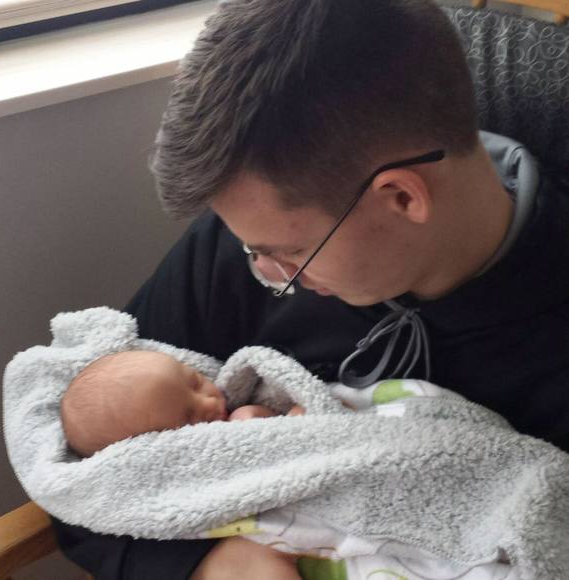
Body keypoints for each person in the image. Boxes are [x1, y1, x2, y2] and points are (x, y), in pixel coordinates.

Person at [50, 0, 569, 578]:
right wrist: (207, 563)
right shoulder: (240, 243)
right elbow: (82, 463)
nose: (267, 274)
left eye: (291, 255)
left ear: (402, 197)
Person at [60, 349, 302, 458]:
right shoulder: (190, 462)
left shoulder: (238, 399)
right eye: (188, 418)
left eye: (196, 382)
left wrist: (259, 416)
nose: (208, 402)